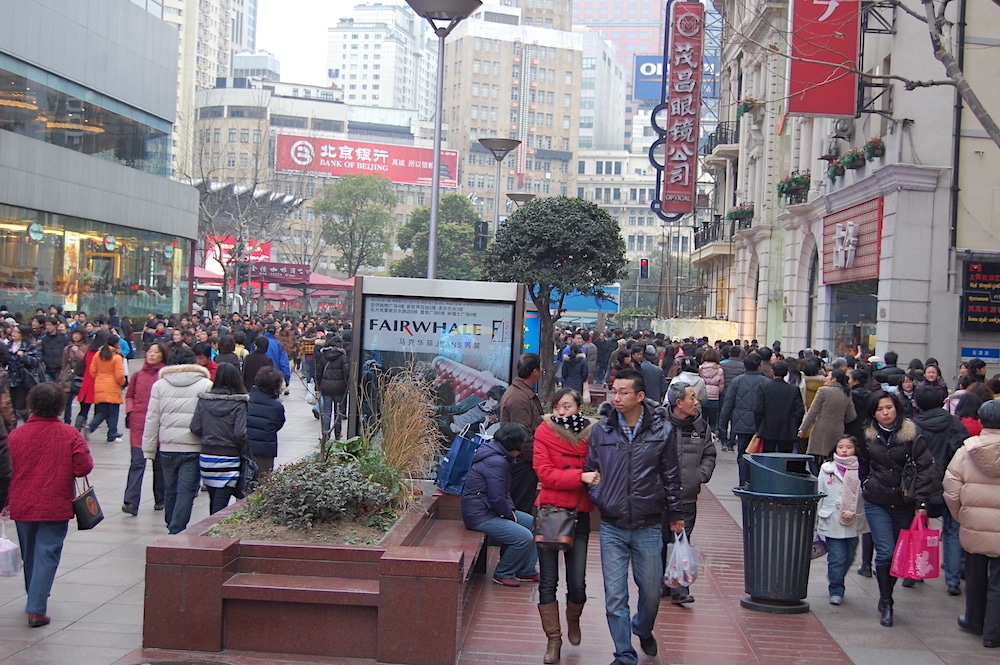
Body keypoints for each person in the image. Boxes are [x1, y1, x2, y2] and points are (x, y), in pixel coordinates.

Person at [585, 369, 684, 665]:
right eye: (614, 391)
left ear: (640, 396)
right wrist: (600, 497)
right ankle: (624, 654)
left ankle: (642, 627)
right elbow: (592, 471)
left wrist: (675, 513)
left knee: (652, 592)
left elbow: (671, 476)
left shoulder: (662, 431)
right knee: (615, 597)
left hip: (649, 524)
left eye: (623, 392)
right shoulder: (602, 431)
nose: (616, 397)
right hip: (612, 525)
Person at [4, 382, 93, 627]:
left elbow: (6, 469)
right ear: (59, 406)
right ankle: (37, 607)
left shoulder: (16, 435)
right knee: (48, 552)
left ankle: (34, 597)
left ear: (32, 404)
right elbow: (82, 467)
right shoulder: (69, 434)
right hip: (55, 503)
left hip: (22, 503)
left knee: (30, 553)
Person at [859, 390, 941, 627]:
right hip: (877, 501)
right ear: (873, 413)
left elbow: (926, 469)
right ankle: (887, 602)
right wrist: (866, 485)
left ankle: (886, 591)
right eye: (880, 409)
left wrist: (921, 502)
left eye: (889, 407)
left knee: (898, 554)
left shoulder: (912, 435)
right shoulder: (867, 437)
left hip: (905, 502)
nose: (885, 413)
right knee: (885, 552)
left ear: (897, 408)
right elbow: (863, 465)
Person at [532, 388, 598, 664]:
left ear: (579, 409)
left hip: (579, 514)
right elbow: (545, 473)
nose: (561, 412)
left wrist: (590, 478)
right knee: (548, 581)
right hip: (549, 512)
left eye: (567, 407)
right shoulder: (544, 433)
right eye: (558, 406)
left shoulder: (593, 436)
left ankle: (574, 617)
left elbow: (599, 470)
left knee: (577, 582)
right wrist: (579, 477)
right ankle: (553, 640)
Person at [944, 399, 1000, 649]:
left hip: (974, 524)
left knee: (976, 576)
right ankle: (993, 632)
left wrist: (962, 516)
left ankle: (974, 620)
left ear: (980, 420)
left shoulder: (967, 451)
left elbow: (951, 491)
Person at [142, 346, 214, 534]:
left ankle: (171, 523)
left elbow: (152, 418)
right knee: (186, 491)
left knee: (170, 489)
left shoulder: (159, 385)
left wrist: (149, 448)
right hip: (193, 447)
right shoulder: (205, 384)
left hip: (167, 447)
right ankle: (176, 528)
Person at [461, 422, 539, 587]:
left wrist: (510, 512)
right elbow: (497, 498)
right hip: (480, 515)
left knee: (533, 523)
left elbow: (504, 493)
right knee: (523, 538)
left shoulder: (500, 455)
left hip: (488, 510)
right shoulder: (497, 461)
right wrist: (510, 516)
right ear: (515, 444)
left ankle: (526, 570)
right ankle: (503, 572)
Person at [662, 381, 716, 605]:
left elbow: (709, 454)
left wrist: (700, 475)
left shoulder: (700, 426)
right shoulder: (658, 424)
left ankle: (680, 587)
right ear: (678, 403)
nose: (696, 402)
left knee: (682, 539)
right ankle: (659, 584)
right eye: (692, 398)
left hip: (687, 495)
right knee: (659, 541)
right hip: (661, 495)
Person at [911, 385, 968, 596]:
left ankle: (914, 572)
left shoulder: (914, 426)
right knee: (952, 532)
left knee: (917, 527)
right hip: (951, 483)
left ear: (917, 403)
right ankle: (952, 580)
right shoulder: (955, 424)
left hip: (922, 485)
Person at [817, 435, 870, 605]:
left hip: (853, 518)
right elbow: (819, 493)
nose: (844, 451)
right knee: (837, 557)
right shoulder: (827, 469)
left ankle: (835, 574)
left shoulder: (861, 470)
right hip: (832, 518)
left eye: (848, 447)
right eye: (841, 447)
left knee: (849, 556)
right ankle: (836, 588)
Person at [191, 363, 250, 514]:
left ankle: (211, 532)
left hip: (207, 457)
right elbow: (239, 433)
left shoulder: (204, 400)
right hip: (229, 458)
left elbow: (195, 427)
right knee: (219, 506)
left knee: (214, 500)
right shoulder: (239, 403)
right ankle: (212, 535)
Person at [122, 341, 169, 515]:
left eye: (155, 352)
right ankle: (130, 502)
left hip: (158, 426)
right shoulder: (136, 376)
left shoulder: (165, 376)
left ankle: (160, 498)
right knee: (137, 464)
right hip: (138, 425)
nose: (151, 354)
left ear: (162, 355)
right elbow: (130, 396)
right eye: (149, 351)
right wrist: (131, 411)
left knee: (159, 466)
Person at [498, 353, 545, 515]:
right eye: (540, 367)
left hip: (522, 461)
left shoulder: (521, 393)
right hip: (522, 463)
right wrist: (535, 459)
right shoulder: (519, 398)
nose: (542, 370)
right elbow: (523, 435)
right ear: (534, 371)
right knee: (520, 507)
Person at [799, 370, 857, 474]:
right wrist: (840, 420)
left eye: (828, 376)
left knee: (814, 456)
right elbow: (852, 415)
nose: (826, 378)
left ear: (833, 379)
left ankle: (817, 481)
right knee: (831, 458)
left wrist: (803, 429)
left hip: (820, 429)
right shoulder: (846, 393)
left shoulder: (823, 391)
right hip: (837, 430)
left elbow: (813, 411)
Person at [719, 353, 768, 470]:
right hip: (760, 425)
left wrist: (723, 423)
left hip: (741, 423)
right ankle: (754, 481)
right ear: (759, 366)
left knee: (742, 453)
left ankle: (743, 481)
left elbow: (728, 403)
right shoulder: (766, 382)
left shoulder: (737, 381)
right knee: (758, 454)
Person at [755, 359, 806, 454]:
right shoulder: (793, 390)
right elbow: (799, 410)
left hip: (768, 428)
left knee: (768, 456)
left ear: (772, 371)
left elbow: (758, 409)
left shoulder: (763, 387)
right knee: (785, 457)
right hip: (787, 429)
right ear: (786, 373)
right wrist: (793, 424)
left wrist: (760, 426)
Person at [83, 333, 126, 443]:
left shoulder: (98, 354)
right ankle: (112, 434)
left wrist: (100, 377)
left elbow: (92, 371)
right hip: (112, 386)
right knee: (113, 412)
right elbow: (119, 375)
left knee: (102, 411)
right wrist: (122, 383)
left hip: (99, 384)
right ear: (116, 344)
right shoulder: (116, 358)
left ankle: (91, 427)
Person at [247, 367, 286, 474]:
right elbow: (279, 423)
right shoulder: (277, 406)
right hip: (266, 450)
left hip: (246, 448)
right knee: (263, 481)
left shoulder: (246, 401)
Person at [315, 335, 350, 440]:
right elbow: (346, 373)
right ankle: (338, 433)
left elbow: (318, 372)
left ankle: (326, 433)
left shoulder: (324, 355)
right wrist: (347, 385)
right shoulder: (343, 356)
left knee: (327, 411)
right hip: (339, 388)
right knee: (338, 412)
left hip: (326, 388)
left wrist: (318, 386)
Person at [7, 323, 40, 424]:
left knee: (22, 406)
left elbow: (36, 362)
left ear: (22, 334)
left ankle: (29, 424)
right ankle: (12, 430)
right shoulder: (8, 345)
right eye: (13, 331)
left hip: (23, 381)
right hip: (9, 379)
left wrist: (24, 357)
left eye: (17, 332)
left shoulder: (30, 346)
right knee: (9, 406)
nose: (14, 334)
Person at [59, 328, 87, 425]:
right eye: (74, 334)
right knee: (67, 401)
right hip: (69, 376)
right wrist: (62, 376)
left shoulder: (85, 347)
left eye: (78, 334)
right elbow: (64, 363)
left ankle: (81, 421)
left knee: (83, 401)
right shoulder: (67, 348)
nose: (76, 336)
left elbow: (84, 360)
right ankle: (67, 422)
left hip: (81, 376)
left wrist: (77, 351)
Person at [698, 348, 725, 434]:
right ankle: (712, 435)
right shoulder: (719, 370)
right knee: (713, 421)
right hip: (714, 398)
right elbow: (721, 385)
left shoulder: (700, 369)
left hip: (703, 396)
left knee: (703, 419)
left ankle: (703, 435)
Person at [262, 326, 291, 391]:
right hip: (275, 374)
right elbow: (284, 363)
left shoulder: (257, 342)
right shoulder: (278, 344)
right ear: (275, 333)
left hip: (259, 375)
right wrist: (286, 378)